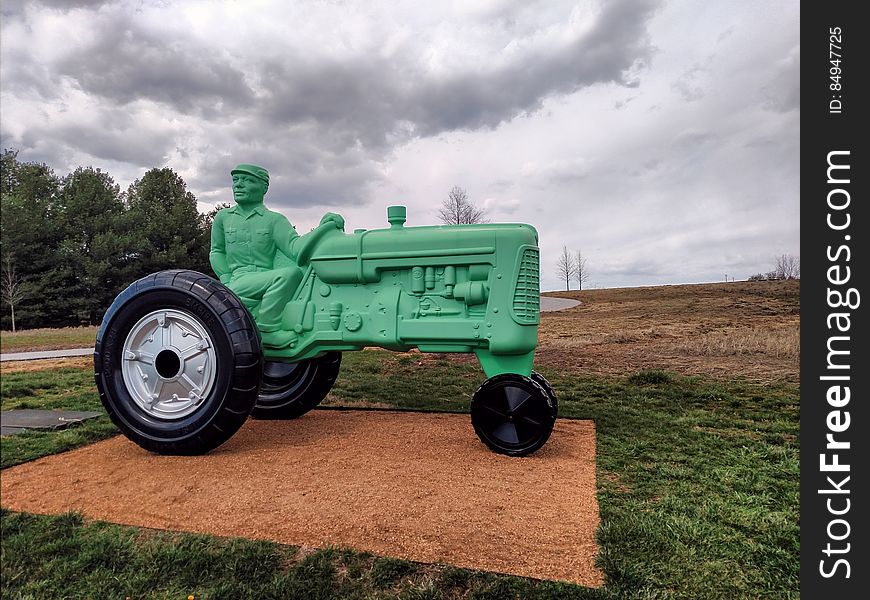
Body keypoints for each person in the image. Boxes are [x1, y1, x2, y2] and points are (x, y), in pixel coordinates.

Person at [209, 164, 344, 347]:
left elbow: (295, 249)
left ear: (264, 187)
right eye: (236, 180)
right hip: (237, 280)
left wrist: (321, 228)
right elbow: (217, 252)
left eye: (247, 180)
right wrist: (226, 281)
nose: (239, 185)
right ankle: (268, 330)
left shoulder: (274, 220)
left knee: (291, 273)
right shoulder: (223, 217)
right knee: (289, 274)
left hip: (265, 278)